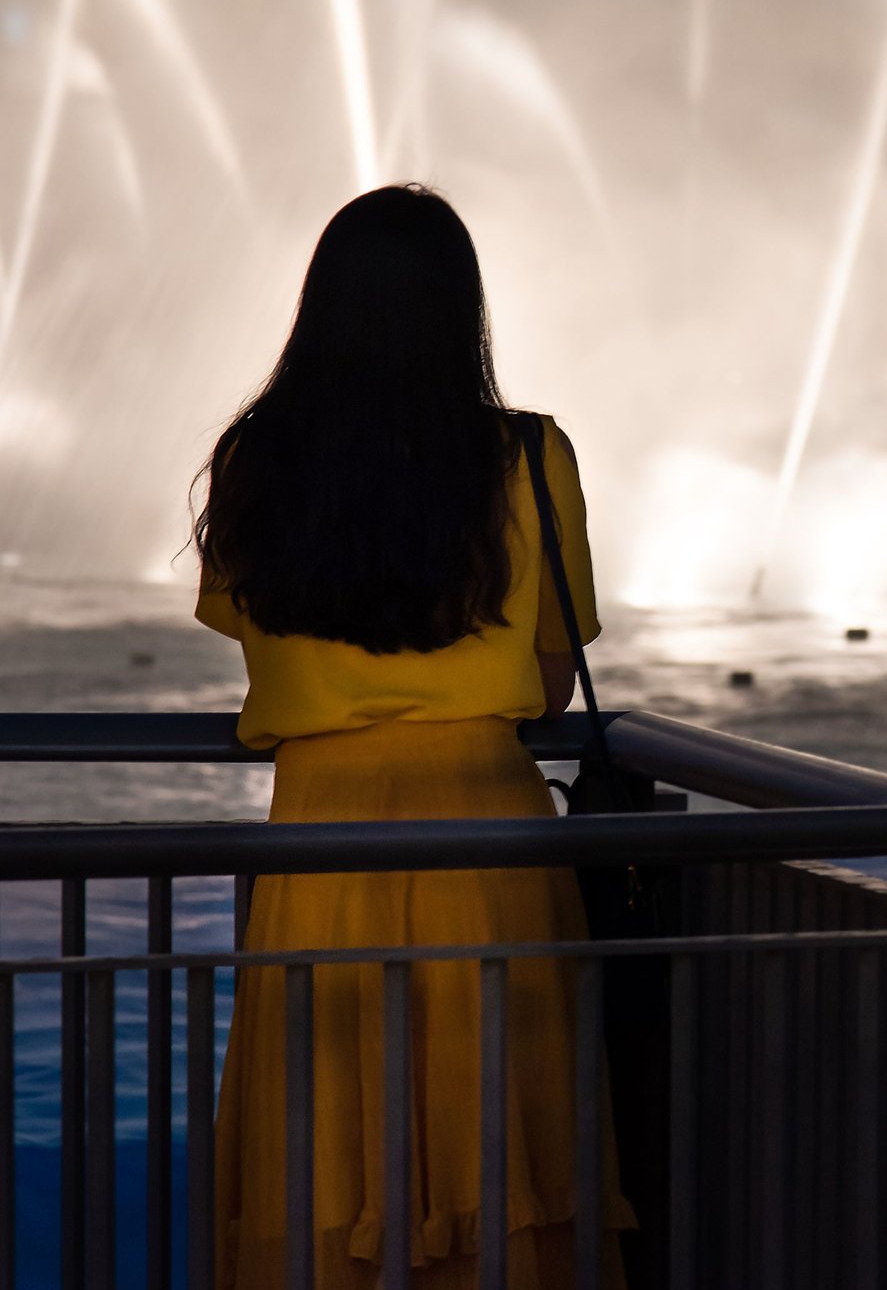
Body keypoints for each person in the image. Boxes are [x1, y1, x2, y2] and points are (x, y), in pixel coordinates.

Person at [193, 184, 633, 1288]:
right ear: (461, 312)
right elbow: (551, 675)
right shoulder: (532, 457)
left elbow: (249, 637)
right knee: (500, 1122)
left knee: (327, 1132)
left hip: (317, 841)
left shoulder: (256, 461)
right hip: (489, 835)